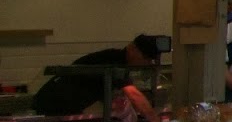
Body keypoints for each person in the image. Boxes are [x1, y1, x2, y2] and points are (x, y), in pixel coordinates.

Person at [30, 34, 160, 115]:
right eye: (145, 58)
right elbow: (133, 94)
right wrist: (154, 120)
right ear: (133, 49)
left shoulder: (118, 62)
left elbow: (102, 90)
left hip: (66, 106)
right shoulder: (114, 61)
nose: (146, 62)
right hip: (53, 103)